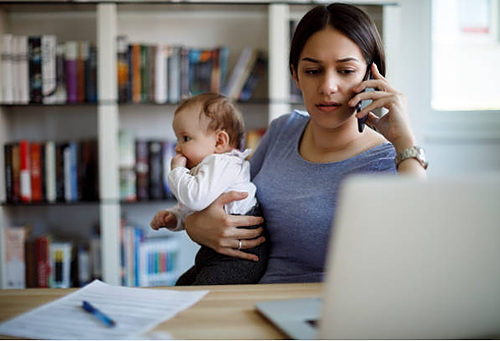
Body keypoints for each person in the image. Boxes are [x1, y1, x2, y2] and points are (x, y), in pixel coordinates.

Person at [151, 3, 427, 284]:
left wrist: (404, 141)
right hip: (252, 301)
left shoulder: (392, 160)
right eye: (312, 71)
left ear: (370, 76)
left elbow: (420, 251)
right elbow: (229, 194)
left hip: (326, 314)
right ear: (295, 74)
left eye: (345, 71)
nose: (328, 86)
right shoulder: (283, 129)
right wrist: (196, 225)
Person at [150, 92, 268, 285]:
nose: (178, 148)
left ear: (219, 142)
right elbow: (196, 208)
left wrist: (177, 171)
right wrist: (175, 217)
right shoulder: (207, 168)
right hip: (215, 250)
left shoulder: (223, 163)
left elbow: (195, 198)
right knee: (182, 284)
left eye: (185, 138)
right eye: (178, 140)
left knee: (203, 294)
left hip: (239, 256)